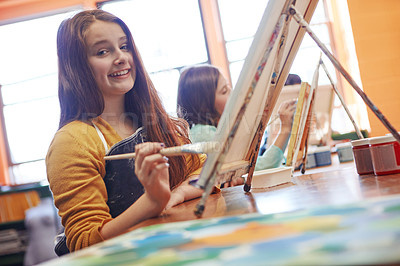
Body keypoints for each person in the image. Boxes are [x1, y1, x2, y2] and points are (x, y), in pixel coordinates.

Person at [46, 10, 206, 256]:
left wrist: (179, 193)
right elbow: (84, 243)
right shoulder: (72, 142)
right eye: (102, 51)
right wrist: (151, 203)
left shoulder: (155, 121)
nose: (121, 57)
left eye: (124, 46)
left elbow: (203, 170)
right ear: (77, 67)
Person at [177, 64, 296, 175]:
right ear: (204, 105)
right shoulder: (203, 133)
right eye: (224, 91)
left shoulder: (214, 129)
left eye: (229, 86)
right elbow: (257, 169)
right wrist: (285, 129)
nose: (233, 93)